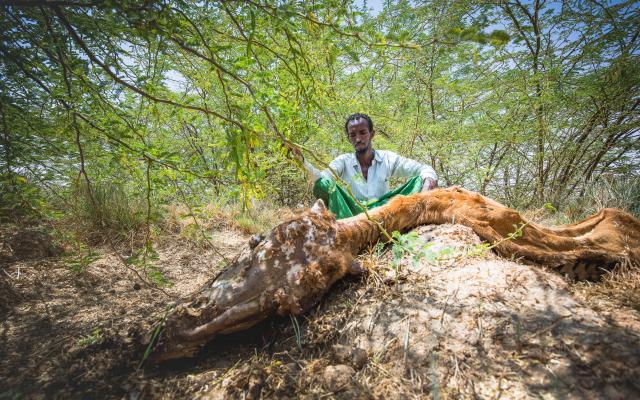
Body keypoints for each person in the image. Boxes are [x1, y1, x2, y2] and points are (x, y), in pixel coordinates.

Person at [294, 113, 438, 219]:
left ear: (372, 134)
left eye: (362, 133)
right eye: (353, 135)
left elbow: (424, 169)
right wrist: (302, 161)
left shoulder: (388, 158)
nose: (358, 139)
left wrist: (425, 192)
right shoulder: (343, 161)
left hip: (385, 211)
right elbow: (322, 179)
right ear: (349, 138)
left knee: (418, 182)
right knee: (325, 185)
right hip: (353, 212)